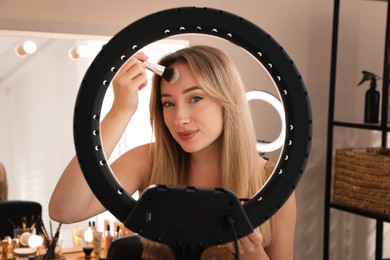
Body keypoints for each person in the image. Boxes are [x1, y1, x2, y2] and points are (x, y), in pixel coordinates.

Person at [49, 45, 296, 259]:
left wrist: (251, 254)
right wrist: (120, 110)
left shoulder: (272, 183)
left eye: (195, 98)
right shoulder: (149, 161)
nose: (179, 119)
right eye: (168, 103)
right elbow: (64, 209)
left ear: (227, 100)